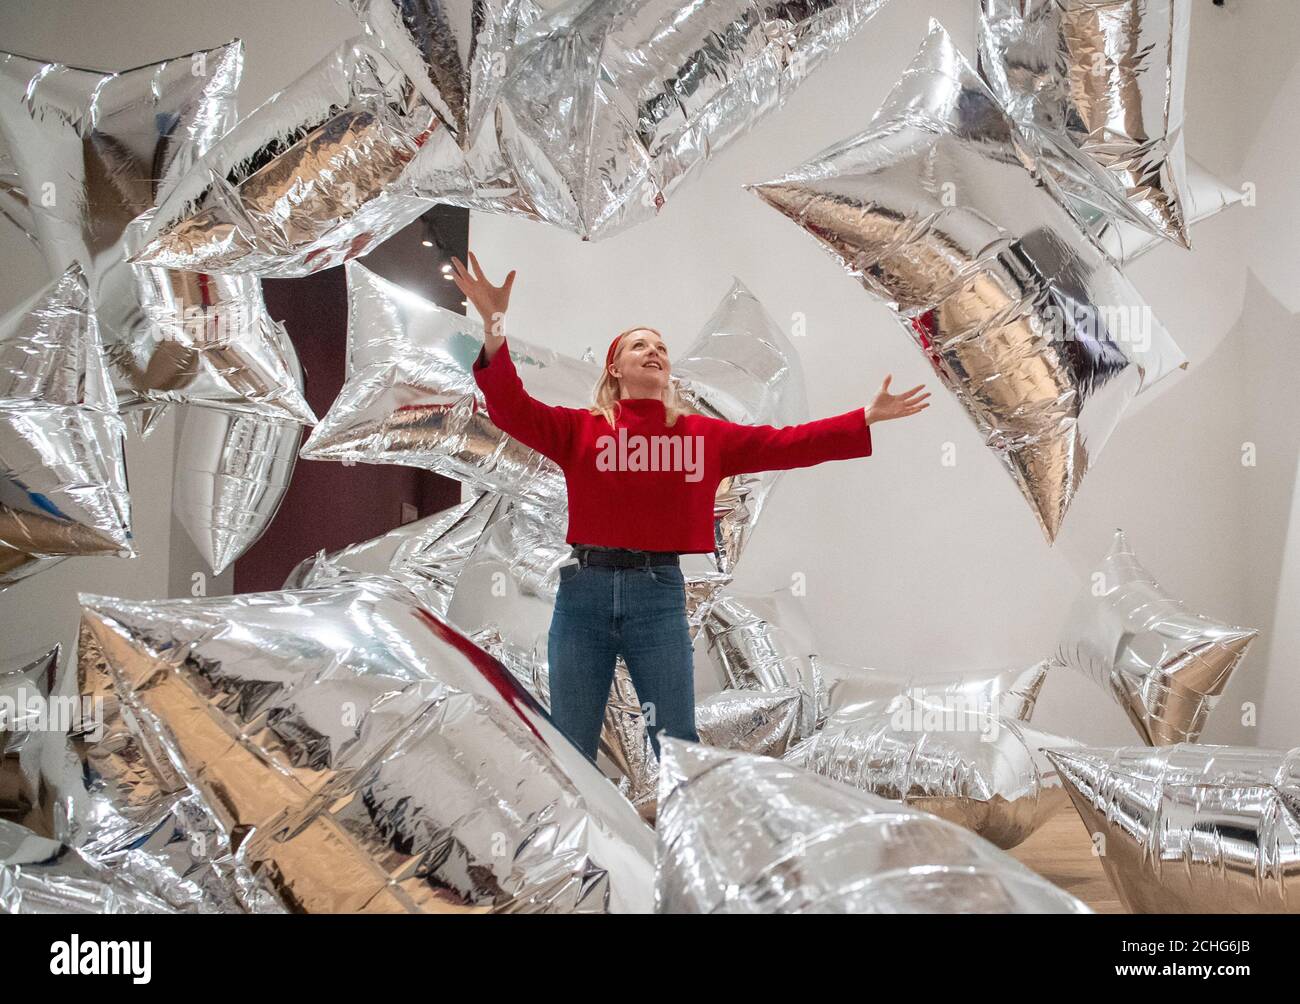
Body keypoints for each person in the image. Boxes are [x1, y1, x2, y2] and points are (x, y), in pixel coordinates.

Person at [451, 251, 929, 764]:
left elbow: (789, 443)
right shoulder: (580, 429)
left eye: (661, 346)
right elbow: (510, 407)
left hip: (657, 597)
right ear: (615, 366)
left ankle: (682, 842)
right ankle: (585, 845)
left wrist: (864, 417)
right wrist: (494, 323)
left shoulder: (703, 435)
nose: (654, 351)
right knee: (570, 747)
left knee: (676, 745)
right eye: (640, 345)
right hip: (583, 595)